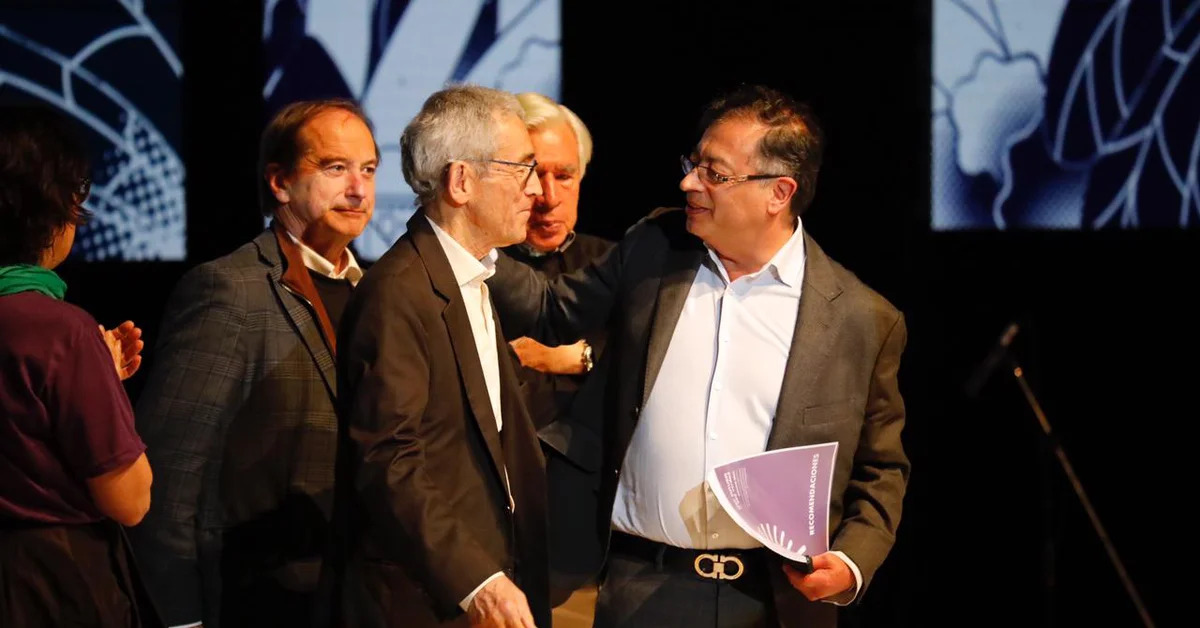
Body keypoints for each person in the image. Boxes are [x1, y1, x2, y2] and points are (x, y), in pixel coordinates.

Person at [488, 85, 910, 627]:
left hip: (776, 600)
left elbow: (882, 468)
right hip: (642, 587)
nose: (689, 182)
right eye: (693, 164)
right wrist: (463, 235)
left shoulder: (860, 319)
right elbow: (551, 308)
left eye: (714, 173)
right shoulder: (656, 249)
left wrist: (851, 562)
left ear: (778, 192)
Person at [129, 99, 378, 627]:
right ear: (280, 182)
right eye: (335, 168)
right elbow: (170, 479)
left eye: (369, 169)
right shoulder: (229, 290)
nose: (358, 189)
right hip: (256, 603)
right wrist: (180, 619)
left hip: (357, 597)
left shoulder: (376, 295)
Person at [333, 85, 550, 628]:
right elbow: (388, 460)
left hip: (490, 579)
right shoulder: (397, 291)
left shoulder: (472, 278)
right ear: (461, 181)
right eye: (522, 168)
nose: (538, 190)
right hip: (423, 599)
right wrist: (476, 580)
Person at [0, 105, 158, 627]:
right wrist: (96, 386)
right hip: (51, 583)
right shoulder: (60, 330)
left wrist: (97, 379)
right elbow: (129, 499)